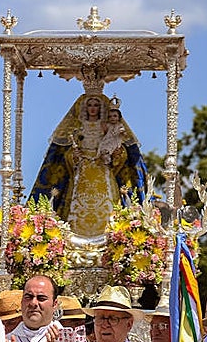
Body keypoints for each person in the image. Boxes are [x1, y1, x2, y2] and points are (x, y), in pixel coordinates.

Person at [28, 94, 148, 243]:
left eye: (96, 105)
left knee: (108, 204)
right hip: (82, 172)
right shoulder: (78, 129)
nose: (92, 108)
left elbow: (119, 152)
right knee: (77, 204)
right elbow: (67, 157)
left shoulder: (108, 128)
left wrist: (116, 154)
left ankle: (111, 239)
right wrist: (74, 156)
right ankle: (75, 239)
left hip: (103, 169)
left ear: (102, 109)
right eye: (89, 105)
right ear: (84, 108)